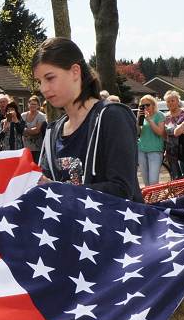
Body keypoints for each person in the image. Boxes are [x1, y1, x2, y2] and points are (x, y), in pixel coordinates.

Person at [33, 38, 142, 201]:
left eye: (50, 78)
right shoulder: (52, 131)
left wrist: (59, 190)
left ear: (75, 71)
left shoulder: (112, 117)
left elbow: (123, 189)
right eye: (39, 82)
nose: (43, 88)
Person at [135, 94, 167, 186]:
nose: (145, 107)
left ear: (153, 105)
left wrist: (149, 120)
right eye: (142, 106)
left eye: (147, 105)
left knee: (153, 181)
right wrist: (138, 120)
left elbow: (160, 132)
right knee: (146, 181)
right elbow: (137, 132)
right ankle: (149, 200)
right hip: (141, 150)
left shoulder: (159, 115)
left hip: (155, 150)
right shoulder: (142, 117)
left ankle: (154, 200)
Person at [161, 90, 184, 181]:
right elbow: (164, 134)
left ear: (177, 101)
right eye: (168, 101)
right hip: (171, 150)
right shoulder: (165, 116)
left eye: (172, 100)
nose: (170, 103)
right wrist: (165, 149)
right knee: (175, 176)